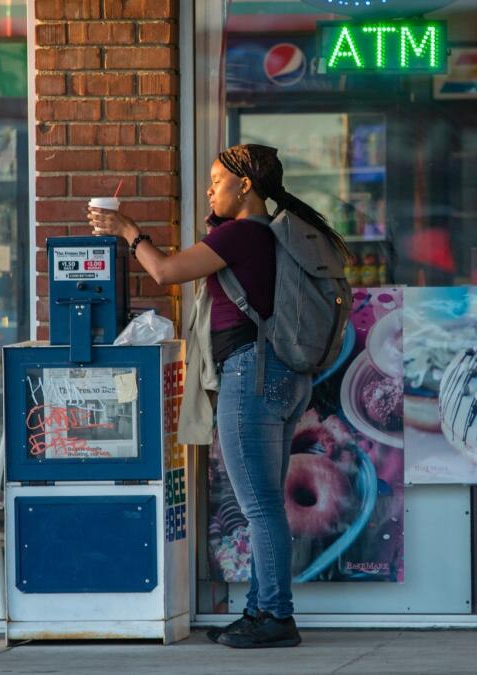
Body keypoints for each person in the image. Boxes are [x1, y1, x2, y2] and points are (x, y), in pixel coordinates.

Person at [88, 144, 340, 649]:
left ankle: (274, 617)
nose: (209, 189)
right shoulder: (266, 235)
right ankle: (261, 608)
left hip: (252, 373)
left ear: (245, 185)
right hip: (283, 376)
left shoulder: (244, 234)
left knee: (259, 506)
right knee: (264, 503)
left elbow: (165, 272)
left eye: (216, 180)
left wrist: (128, 231)